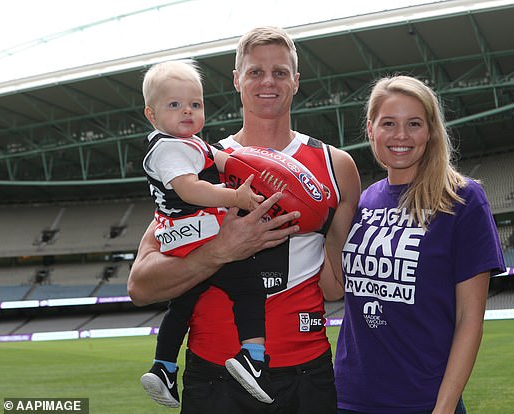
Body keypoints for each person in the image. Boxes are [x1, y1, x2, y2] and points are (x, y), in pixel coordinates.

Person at [127, 26, 361, 414]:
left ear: (296, 81)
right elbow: (140, 286)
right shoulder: (197, 163)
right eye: (255, 72)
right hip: (216, 375)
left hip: (307, 372)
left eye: (280, 72)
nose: (267, 81)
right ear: (236, 80)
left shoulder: (337, 166)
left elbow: (334, 286)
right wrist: (219, 251)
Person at [333, 75, 506, 414]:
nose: (401, 135)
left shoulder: (463, 199)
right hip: (349, 399)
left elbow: (470, 319)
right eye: (388, 123)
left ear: (431, 131)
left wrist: (442, 409)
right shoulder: (364, 201)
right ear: (371, 129)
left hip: (423, 402)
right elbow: (334, 290)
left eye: (414, 123)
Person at [138, 59, 277, 408]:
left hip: (181, 240)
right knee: (248, 287)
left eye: (195, 104)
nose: (187, 111)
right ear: (151, 115)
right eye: (175, 105)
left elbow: (223, 160)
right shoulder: (169, 148)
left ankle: (164, 367)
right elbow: (190, 190)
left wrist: (255, 167)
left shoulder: (189, 143)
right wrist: (237, 196)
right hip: (196, 235)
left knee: (182, 305)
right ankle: (254, 357)